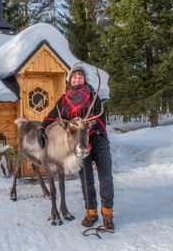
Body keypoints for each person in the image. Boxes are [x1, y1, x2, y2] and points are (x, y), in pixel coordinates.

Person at [37, 63, 114, 230]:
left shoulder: (93, 96)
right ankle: (91, 212)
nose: (77, 79)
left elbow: (100, 118)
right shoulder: (64, 100)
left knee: (105, 177)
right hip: (78, 144)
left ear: (84, 79)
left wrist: (88, 126)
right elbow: (52, 116)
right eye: (74, 77)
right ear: (69, 80)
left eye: (80, 77)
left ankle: (107, 214)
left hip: (97, 139)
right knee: (86, 179)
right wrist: (42, 128)